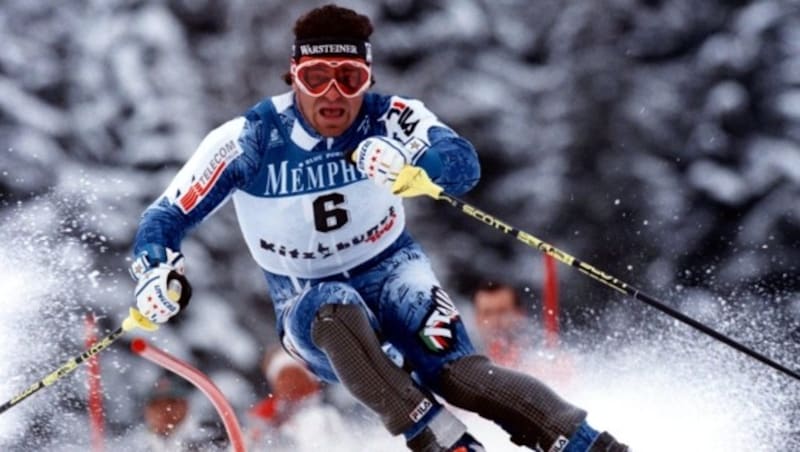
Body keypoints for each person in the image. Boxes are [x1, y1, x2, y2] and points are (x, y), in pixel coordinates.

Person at [128, 4, 628, 451]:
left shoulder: (389, 118)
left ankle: (591, 445)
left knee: (460, 376)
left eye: (349, 77)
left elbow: (462, 165)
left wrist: (417, 167)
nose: (332, 94)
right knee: (333, 308)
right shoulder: (251, 139)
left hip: (394, 272)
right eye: (316, 76)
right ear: (293, 76)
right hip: (306, 297)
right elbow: (166, 216)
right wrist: (155, 270)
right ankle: (444, 442)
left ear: (368, 78)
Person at [246, 347, 345, 451]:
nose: (290, 384)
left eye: (296, 376)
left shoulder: (321, 417)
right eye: (283, 377)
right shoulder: (268, 415)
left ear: (312, 384)